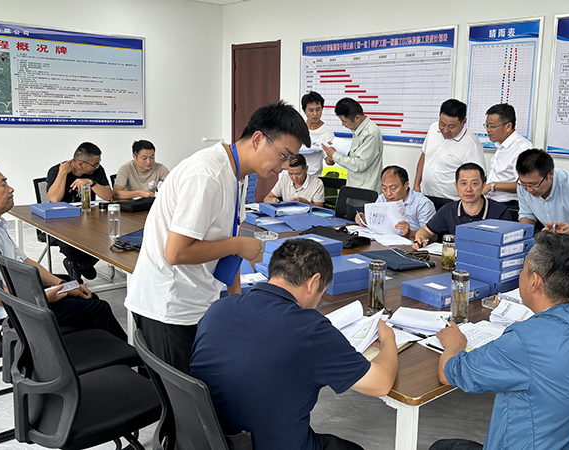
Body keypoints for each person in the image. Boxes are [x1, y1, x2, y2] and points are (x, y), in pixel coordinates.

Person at [124, 101, 311, 373]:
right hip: (169, 307)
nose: (284, 166)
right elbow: (176, 252)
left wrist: (237, 300)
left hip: (197, 300)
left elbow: (225, 240)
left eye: (291, 160)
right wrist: (237, 244)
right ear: (258, 139)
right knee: (179, 396)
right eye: (284, 155)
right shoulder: (207, 174)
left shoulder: (238, 174)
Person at [190, 238, 398, 450]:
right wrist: (389, 339)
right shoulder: (310, 329)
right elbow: (380, 384)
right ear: (314, 282)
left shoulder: (218, 309)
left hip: (209, 440)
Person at [431, 232, 569, 450]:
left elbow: (448, 374)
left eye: (523, 269)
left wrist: (454, 344)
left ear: (535, 282)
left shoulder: (526, 340)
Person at [0, 163, 126, 342]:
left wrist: (64, 284)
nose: (11, 189)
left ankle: (95, 349)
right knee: (97, 308)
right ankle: (127, 356)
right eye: (2, 184)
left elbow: (24, 261)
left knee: (84, 295)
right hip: (7, 319)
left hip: (14, 300)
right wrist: (42, 297)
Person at [46, 142, 113, 282]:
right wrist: (63, 173)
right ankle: (82, 265)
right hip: (61, 221)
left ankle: (79, 265)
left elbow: (108, 195)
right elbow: (54, 199)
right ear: (81, 163)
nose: (97, 166)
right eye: (95, 164)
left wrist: (91, 183)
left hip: (88, 218)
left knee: (110, 235)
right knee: (67, 242)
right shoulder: (56, 170)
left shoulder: (96, 171)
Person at [412, 163, 510, 250]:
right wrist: (421, 237)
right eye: (463, 183)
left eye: (474, 183)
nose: (468, 189)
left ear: (483, 185)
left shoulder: (499, 211)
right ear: (456, 186)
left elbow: (508, 243)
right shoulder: (449, 209)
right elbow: (425, 230)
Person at [516, 149, 569, 238]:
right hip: (550, 240)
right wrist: (524, 237)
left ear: (550, 174)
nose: (529, 190)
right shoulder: (522, 186)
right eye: (524, 184)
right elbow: (526, 216)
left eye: (534, 185)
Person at [414, 99, 485, 200]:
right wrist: (416, 185)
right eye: (442, 124)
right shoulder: (433, 128)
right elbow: (424, 155)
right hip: (426, 196)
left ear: (463, 122)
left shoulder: (472, 144)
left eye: (451, 126)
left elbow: (479, 177)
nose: (445, 130)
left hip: (451, 201)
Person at [480, 103, 532, 219]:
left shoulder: (522, 148)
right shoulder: (501, 145)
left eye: (492, 126)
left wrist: (491, 186)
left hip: (509, 206)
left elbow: (525, 186)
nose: (488, 130)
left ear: (508, 126)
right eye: (486, 125)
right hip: (491, 202)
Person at [354, 165, 435, 239]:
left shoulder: (422, 204)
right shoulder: (382, 199)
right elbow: (378, 223)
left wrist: (410, 233)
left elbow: (433, 237)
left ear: (406, 185)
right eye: (384, 188)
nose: (388, 194)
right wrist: (365, 220)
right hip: (384, 242)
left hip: (411, 246)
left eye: (393, 188)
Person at [322, 98, 383, 192]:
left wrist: (334, 155)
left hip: (366, 190)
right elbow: (356, 155)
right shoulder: (358, 128)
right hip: (354, 186)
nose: (343, 124)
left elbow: (359, 165)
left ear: (357, 118)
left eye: (344, 121)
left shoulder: (370, 133)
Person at [300, 91, 335, 177]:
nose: (315, 114)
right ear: (304, 111)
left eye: (318, 110)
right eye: (311, 110)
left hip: (313, 177)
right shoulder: (297, 128)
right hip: (292, 176)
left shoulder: (327, 132)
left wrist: (332, 157)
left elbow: (329, 161)